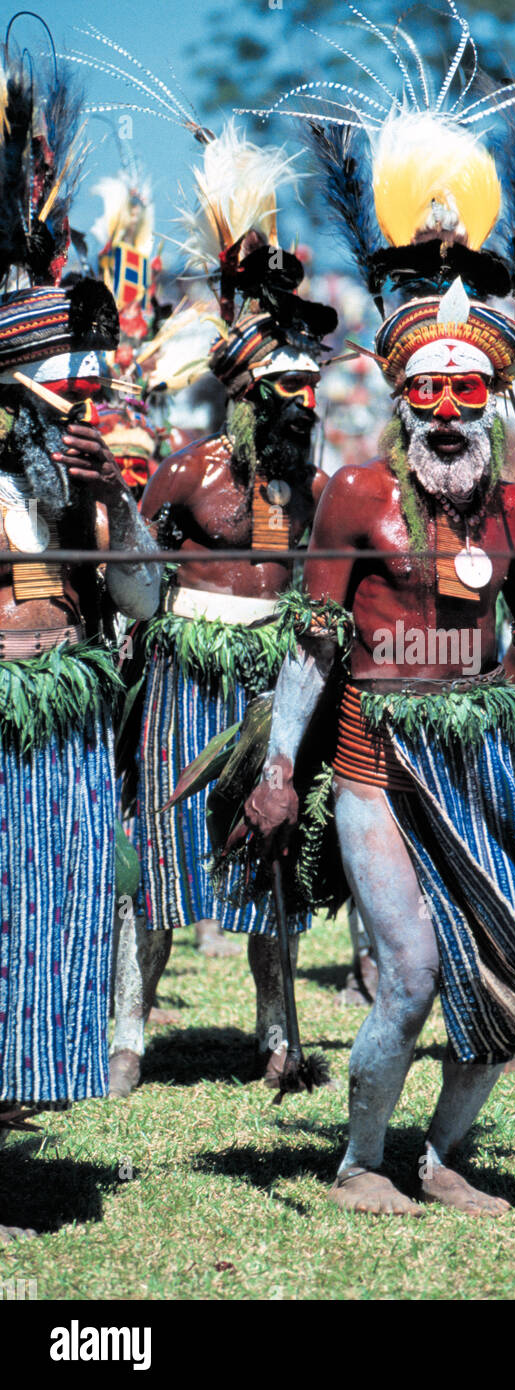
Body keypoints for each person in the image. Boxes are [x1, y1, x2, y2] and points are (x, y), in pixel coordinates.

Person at [242, 15, 515, 1216]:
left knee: (514, 979)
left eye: (463, 391)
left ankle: (440, 1152)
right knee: (413, 972)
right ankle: (361, 1159)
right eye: (424, 390)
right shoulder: (358, 492)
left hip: (478, 758)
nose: (443, 410)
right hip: (376, 757)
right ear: (398, 394)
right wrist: (278, 767)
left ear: (488, 398)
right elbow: (316, 646)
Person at [109, 124, 338, 1097]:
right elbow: (131, 571)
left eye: (307, 388)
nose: (299, 403)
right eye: (281, 389)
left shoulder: (316, 483)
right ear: (240, 390)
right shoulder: (183, 471)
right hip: (184, 673)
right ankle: (128, 1034)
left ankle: (277, 1035)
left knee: (269, 855)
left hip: (264, 687)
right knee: (163, 856)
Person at [0, 36, 161, 1242]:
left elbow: (145, 605)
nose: (82, 409)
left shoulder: (87, 488)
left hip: (62, 719)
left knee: (53, 915)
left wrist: (118, 506)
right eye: (64, 386)